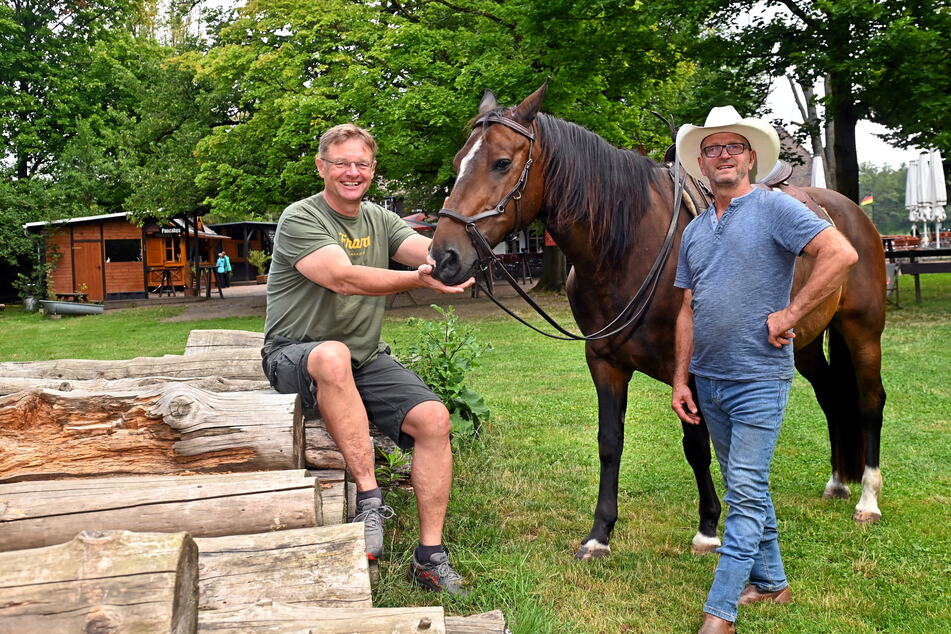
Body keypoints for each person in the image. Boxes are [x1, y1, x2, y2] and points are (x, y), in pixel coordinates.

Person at [261, 123, 474, 596]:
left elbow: (424, 250)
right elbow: (343, 277)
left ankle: (430, 557)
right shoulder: (301, 218)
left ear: (373, 170)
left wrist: (456, 257)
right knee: (333, 355)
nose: (352, 172)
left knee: (435, 419)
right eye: (341, 163)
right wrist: (419, 280)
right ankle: (369, 497)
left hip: (364, 359)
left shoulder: (379, 218)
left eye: (361, 163)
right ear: (322, 167)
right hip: (294, 355)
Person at [670, 106, 858, 633]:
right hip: (708, 380)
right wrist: (681, 378)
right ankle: (772, 582)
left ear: (750, 157)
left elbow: (839, 254)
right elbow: (687, 308)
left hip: (758, 377)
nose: (723, 155)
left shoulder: (774, 207)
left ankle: (720, 612)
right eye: (713, 149)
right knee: (743, 484)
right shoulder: (697, 231)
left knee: (745, 491)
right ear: (701, 163)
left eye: (733, 147)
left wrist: (793, 312)